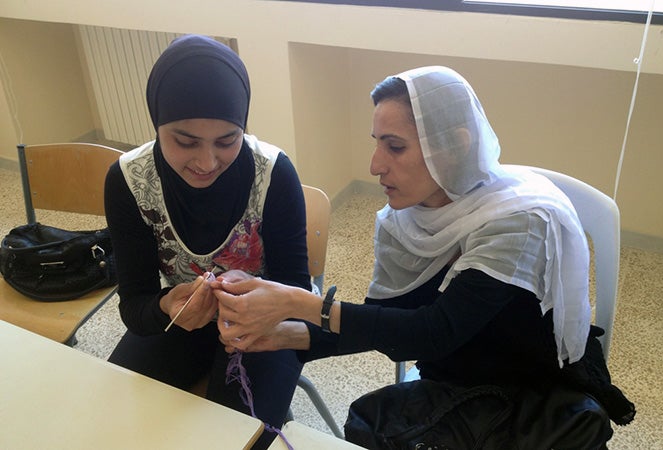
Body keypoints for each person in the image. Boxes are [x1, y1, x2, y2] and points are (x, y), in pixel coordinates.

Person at [212, 66, 635, 448]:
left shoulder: (519, 222)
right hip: (458, 380)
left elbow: (433, 332)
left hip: (532, 388)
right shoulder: (404, 220)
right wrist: (282, 336)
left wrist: (294, 302)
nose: (375, 165)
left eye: (395, 147)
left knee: (371, 426)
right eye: (377, 144)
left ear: (453, 146)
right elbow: (382, 322)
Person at [104, 34, 310, 449]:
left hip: (264, 326)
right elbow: (134, 303)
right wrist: (167, 304)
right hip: (181, 321)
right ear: (156, 122)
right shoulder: (128, 181)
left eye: (227, 140)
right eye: (185, 141)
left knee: (230, 439)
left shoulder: (274, 175)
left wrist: (257, 299)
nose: (206, 162)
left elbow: (298, 296)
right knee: (116, 419)